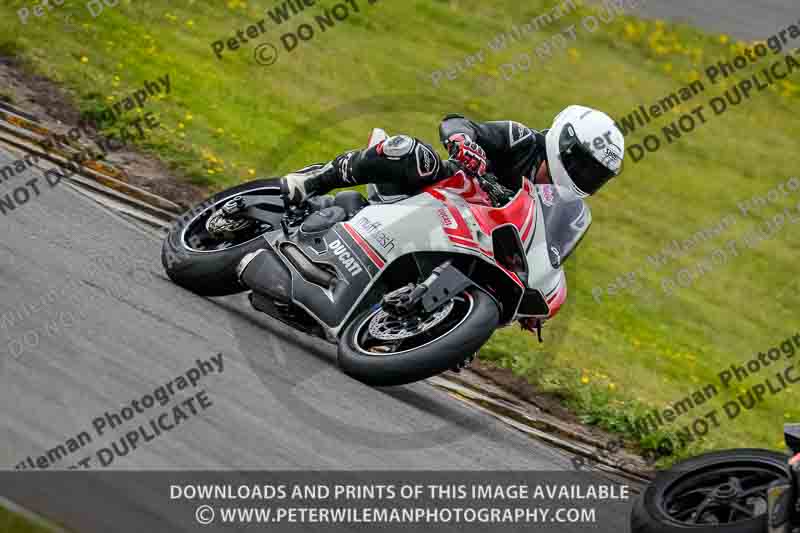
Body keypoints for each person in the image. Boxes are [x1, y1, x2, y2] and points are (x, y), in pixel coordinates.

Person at [281, 105, 625, 205]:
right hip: (437, 191)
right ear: (565, 143)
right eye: (583, 165)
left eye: (595, 175)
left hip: (471, 234)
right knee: (413, 154)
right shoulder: (521, 139)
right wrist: (464, 142)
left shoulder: (560, 204)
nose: (583, 177)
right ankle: (315, 180)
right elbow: (458, 122)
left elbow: (546, 253)